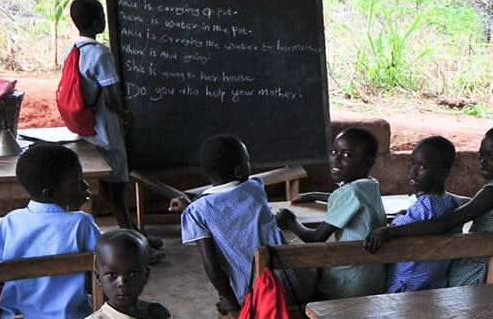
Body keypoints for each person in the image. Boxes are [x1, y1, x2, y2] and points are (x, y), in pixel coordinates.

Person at [365, 124, 493, 286]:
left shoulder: (492, 193)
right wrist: (440, 197)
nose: (482, 163)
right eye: (481, 155)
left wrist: (389, 231)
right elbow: (471, 203)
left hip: (475, 276)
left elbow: (445, 223)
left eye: (491, 157)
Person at [0, 143, 101, 319]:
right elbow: (108, 264)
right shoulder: (81, 224)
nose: (85, 186)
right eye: (76, 183)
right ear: (48, 194)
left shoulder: (11, 221)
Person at [67, 0, 147, 247]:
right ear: (95, 22)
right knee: (119, 185)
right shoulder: (100, 54)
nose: (105, 19)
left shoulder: (74, 50)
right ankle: (133, 239)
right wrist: (126, 114)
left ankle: (133, 232)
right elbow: (112, 98)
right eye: (102, 15)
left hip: (87, 128)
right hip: (106, 128)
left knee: (111, 187)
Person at [180, 135, 287, 315]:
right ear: (238, 171)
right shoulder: (255, 188)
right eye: (247, 161)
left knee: (226, 295)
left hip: (253, 295)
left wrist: (233, 306)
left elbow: (213, 271)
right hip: (293, 282)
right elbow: (229, 198)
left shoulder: (195, 212)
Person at [277, 127, 388, 299]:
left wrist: (292, 222)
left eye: (346, 155)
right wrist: (314, 195)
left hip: (351, 283)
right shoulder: (371, 185)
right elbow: (347, 200)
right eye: (334, 152)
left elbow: (315, 239)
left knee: (296, 281)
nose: (335, 159)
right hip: (375, 278)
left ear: (367, 163)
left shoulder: (349, 193)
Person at [388, 136, 462, 293]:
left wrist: (397, 218)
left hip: (408, 286)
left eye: (422, 167)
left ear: (442, 174)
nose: (413, 172)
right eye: (412, 163)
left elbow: (395, 229)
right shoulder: (450, 202)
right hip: (435, 284)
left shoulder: (424, 206)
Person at [87, 230, 170, 319]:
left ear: (146, 275)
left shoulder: (158, 313)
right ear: (98, 278)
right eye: (112, 275)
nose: (122, 283)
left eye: (133, 274)